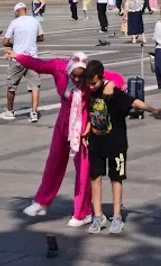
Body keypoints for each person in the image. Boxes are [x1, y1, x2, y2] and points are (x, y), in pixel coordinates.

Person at [18, 51, 127, 223]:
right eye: (73, 76)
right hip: (63, 122)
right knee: (54, 161)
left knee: (83, 169)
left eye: (80, 77)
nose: (76, 79)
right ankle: (41, 202)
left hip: (83, 126)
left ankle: (83, 212)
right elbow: (39, 65)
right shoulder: (59, 68)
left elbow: (118, 78)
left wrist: (111, 84)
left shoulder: (90, 73)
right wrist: (18, 57)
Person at [83, 59, 159, 234]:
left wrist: (153, 110)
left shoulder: (114, 92)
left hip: (116, 143)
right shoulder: (91, 92)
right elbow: (92, 112)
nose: (91, 87)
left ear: (102, 77)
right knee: (95, 178)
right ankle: (98, 216)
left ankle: (117, 216)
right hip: (96, 142)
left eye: (94, 83)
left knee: (116, 178)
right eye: (89, 84)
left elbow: (133, 102)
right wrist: (87, 128)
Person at [2, 1, 44, 122]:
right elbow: (41, 37)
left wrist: (14, 42)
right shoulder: (35, 21)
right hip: (32, 58)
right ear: (25, 10)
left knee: (11, 85)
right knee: (35, 86)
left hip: (17, 58)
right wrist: (31, 40)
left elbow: (5, 42)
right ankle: (34, 112)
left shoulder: (14, 22)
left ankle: (10, 111)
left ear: (16, 12)